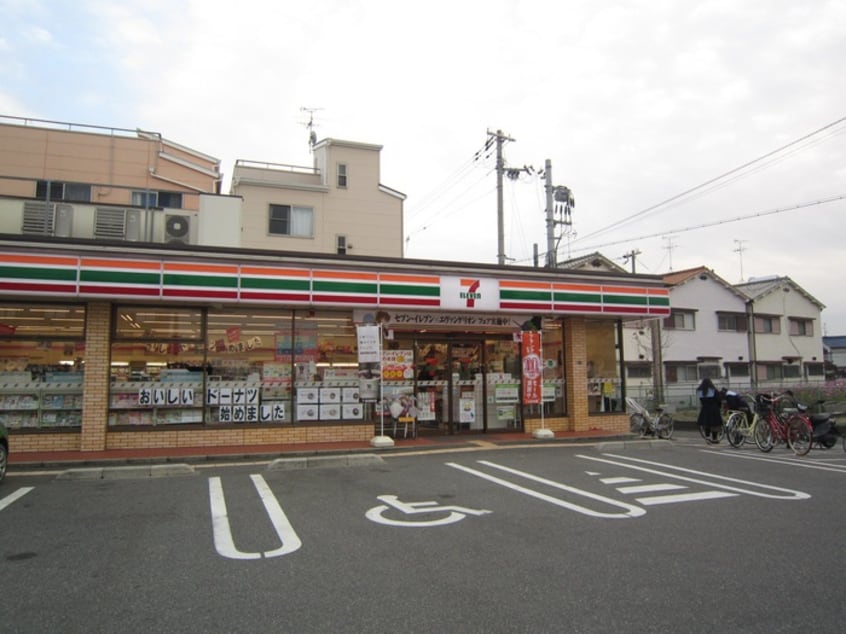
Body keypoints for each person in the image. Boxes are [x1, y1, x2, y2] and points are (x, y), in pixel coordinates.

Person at [696, 377, 723, 443]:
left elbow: (701, 400)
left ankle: (707, 437)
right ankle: (714, 438)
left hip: (705, 408)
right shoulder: (714, 390)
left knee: (706, 424)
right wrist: (719, 406)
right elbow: (719, 400)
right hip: (714, 408)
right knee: (715, 424)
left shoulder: (700, 391)